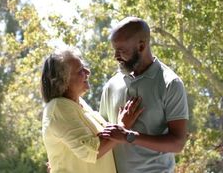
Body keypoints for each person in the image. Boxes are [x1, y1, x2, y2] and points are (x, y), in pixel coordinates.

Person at [99, 17, 189, 173]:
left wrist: (129, 136)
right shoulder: (111, 85)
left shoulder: (171, 84)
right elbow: (101, 136)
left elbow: (178, 143)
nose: (116, 56)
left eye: (121, 50)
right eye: (114, 50)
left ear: (141, 46)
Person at [41, 47, 142, 173]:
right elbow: (92, 151)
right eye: (80, 71)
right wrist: (122, 125)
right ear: (63, 81)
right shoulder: (58, 108)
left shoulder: (79, 104)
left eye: (84, 67)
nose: (87, 72)